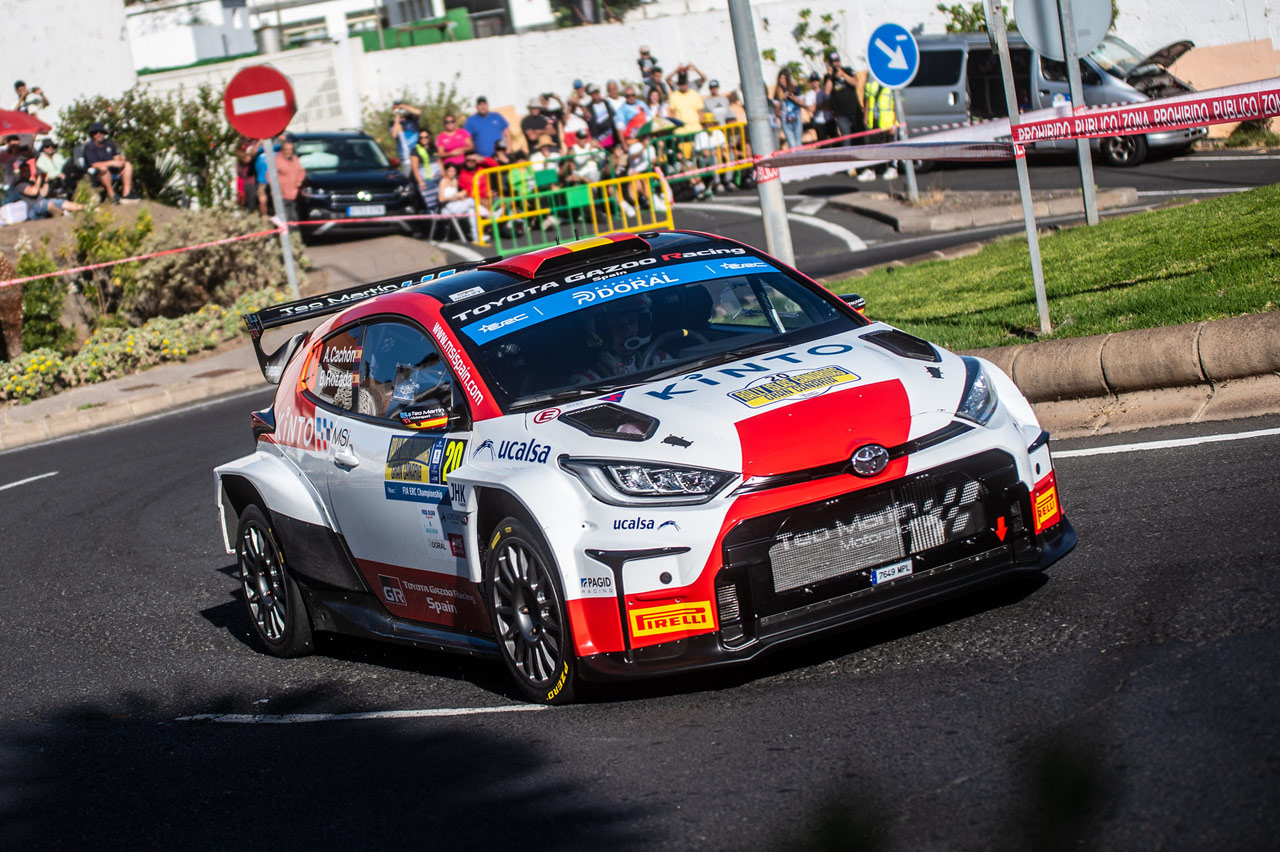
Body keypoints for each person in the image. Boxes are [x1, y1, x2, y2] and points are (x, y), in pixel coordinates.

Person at [573, 295, 668, 384]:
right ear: (602, 332)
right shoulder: (589, 380)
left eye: (632, 321)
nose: (627, 330)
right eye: (616, 324)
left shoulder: (659, 360)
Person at [83, 121, 137, 203]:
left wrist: (120, 160)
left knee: (127, 165)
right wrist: (112, 163)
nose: (98, 134)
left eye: (101, 132)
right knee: (103, 168)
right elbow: (94, 164)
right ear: (92, 135)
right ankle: (111, 194)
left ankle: (126, 194)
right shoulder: (89, 147)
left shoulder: (109, 144)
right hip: (97, 173)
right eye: (95, 132)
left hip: (112, 170)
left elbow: (114, 156)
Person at [858, 76, 900, 181]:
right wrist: (866, 115)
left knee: (891, 144)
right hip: (875, 118)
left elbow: (897, 103)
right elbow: (868, 98)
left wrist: (895, 121)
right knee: (872, 145)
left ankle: (892, 168)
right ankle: (872, 169)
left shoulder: (890, 80)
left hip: (888, 119)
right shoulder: (871, 79)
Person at [12, 162, 83, 218]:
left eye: (28, 171)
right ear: (21, 173)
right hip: (33, 209)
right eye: (25, 171)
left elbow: (43, 193)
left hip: (43, 203)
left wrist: (46, 181)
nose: (27, 173)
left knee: (62, 202)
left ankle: (86, 208)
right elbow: (33, 192)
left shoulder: (32, 183)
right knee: (49, 204)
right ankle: (64, 214)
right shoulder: (20, 184)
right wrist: (38, 179)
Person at [824, 51, 866, 144]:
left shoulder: (847, 70)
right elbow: (827, 91)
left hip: (855, 111)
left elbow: (855, 83)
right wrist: (831, 77)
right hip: (841, 115)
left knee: (859, 137)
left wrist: (843, 74)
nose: (836, 64)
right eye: (833, 62)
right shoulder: (828, 77)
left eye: (837, 61)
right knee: (846, 140)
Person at [667, 66, 707, 135]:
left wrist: (702, 125)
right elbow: (672, 114)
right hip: (680, 131)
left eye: (684, 83)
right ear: (678, 84)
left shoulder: (695, 94)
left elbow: (700, 112)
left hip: (696, 129)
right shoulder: (673, 96)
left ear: (688, 83)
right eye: (681, 84)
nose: (683, 86)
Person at [274, 135, 306, 222]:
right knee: (286, 217)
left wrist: (299, 181)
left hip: (295, 193)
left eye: (291, 150)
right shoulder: (277, 160)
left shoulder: (295, 159)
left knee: (295, 216)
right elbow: (270, 176)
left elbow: (302, 171)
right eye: (287, 150)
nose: (289, 152)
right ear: (282, 150)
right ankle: (287, 233)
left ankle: (295, 232)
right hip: (282, 195)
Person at [772, 69, 804, 150]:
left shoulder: (795, 89)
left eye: (784, 78)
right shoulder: (777, 92)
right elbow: (776, 108)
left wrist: (794, 98)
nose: (782, 80)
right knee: (792, 144)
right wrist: (782, 98)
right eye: (781, 78)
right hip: (785, 120)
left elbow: (802, 103)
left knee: (798, 143)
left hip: (796, 117)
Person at [410, 126, 441, 207]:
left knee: (439, 201)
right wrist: (420, 182)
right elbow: (414, 168)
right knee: (430, 203)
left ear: (429, 137)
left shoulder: (434, 148)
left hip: (437, 179)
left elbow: (439, 163)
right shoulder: (416, 150)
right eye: (421, 137)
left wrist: (444, 177)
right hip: (425, 181)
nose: (424, 139)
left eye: (426, 137)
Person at [389, 101, 421, 175]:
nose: (399, 110)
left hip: (417, 156)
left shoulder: (411, 119)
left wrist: (403, 106)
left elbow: (418, 112)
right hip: (405, 159)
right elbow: (394, 135)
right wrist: (397, 117)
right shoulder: (393, 124)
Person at [584, 85, 617, 149]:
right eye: (593, 93)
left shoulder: (606, 103)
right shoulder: (588, 107)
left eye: (597, 92)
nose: (596, 94)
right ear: (591, 95)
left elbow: (613, 115)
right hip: (599, 138)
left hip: (611, 136)